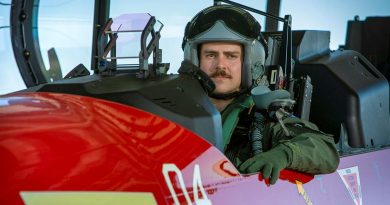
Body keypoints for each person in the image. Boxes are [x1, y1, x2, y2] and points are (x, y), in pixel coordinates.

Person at [179, 4, 339, 184]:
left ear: (251, 64)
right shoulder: (172, 110)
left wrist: (284, 154)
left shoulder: (262, 119)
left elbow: (325, 149)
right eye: (210, 55)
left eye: (231, 56)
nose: (220, 65)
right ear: (194, 60)